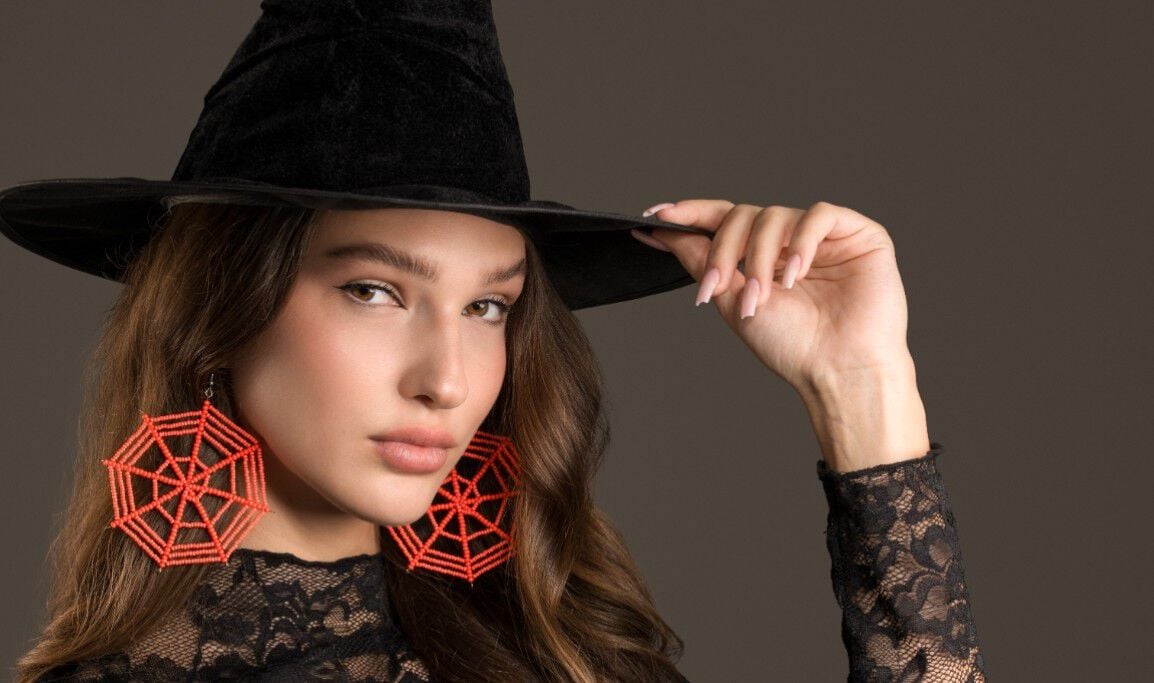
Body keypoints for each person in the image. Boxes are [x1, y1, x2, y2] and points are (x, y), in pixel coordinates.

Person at [2, 1, 986, 681]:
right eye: (376, 288)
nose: (447, 381)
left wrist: (862, 388)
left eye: (488, 306)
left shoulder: (553, 642)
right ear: (217, 305)